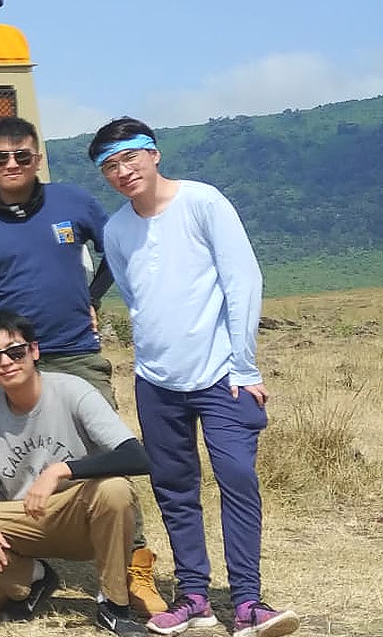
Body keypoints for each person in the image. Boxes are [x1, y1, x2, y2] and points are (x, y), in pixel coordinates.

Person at [0, 116, 166, 615]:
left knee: (110, 467)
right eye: (2, 157)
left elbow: (116, 250)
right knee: (8, 464)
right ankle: (18, 571)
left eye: (22, 155)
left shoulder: (74, 203)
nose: (12, 164)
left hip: (75, 352)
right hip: (8, 361)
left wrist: (93, 296)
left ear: (37, 158)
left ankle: (134, 570)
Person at [91, 118, 299, 637]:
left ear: (153, 153)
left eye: (129, 158)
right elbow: (136, 299)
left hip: (223, 377)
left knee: (237, 479)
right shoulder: (116, 230)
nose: (122, 171)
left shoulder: (203, 202)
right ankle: (193, 597)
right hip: (156, 381)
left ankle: (248, 602)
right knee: (174, 488)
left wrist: (244, 365)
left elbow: (242, 280)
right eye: (110, 166)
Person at [0, 310, 152, 636]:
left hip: (83, 514)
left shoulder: (73, 390)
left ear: (34, 351)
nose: (7, 362)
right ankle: (34, 580)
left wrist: (61, 470)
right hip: (26, 517)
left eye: (16, 352)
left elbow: (136, 456)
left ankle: (114, 604)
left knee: (115, 490)